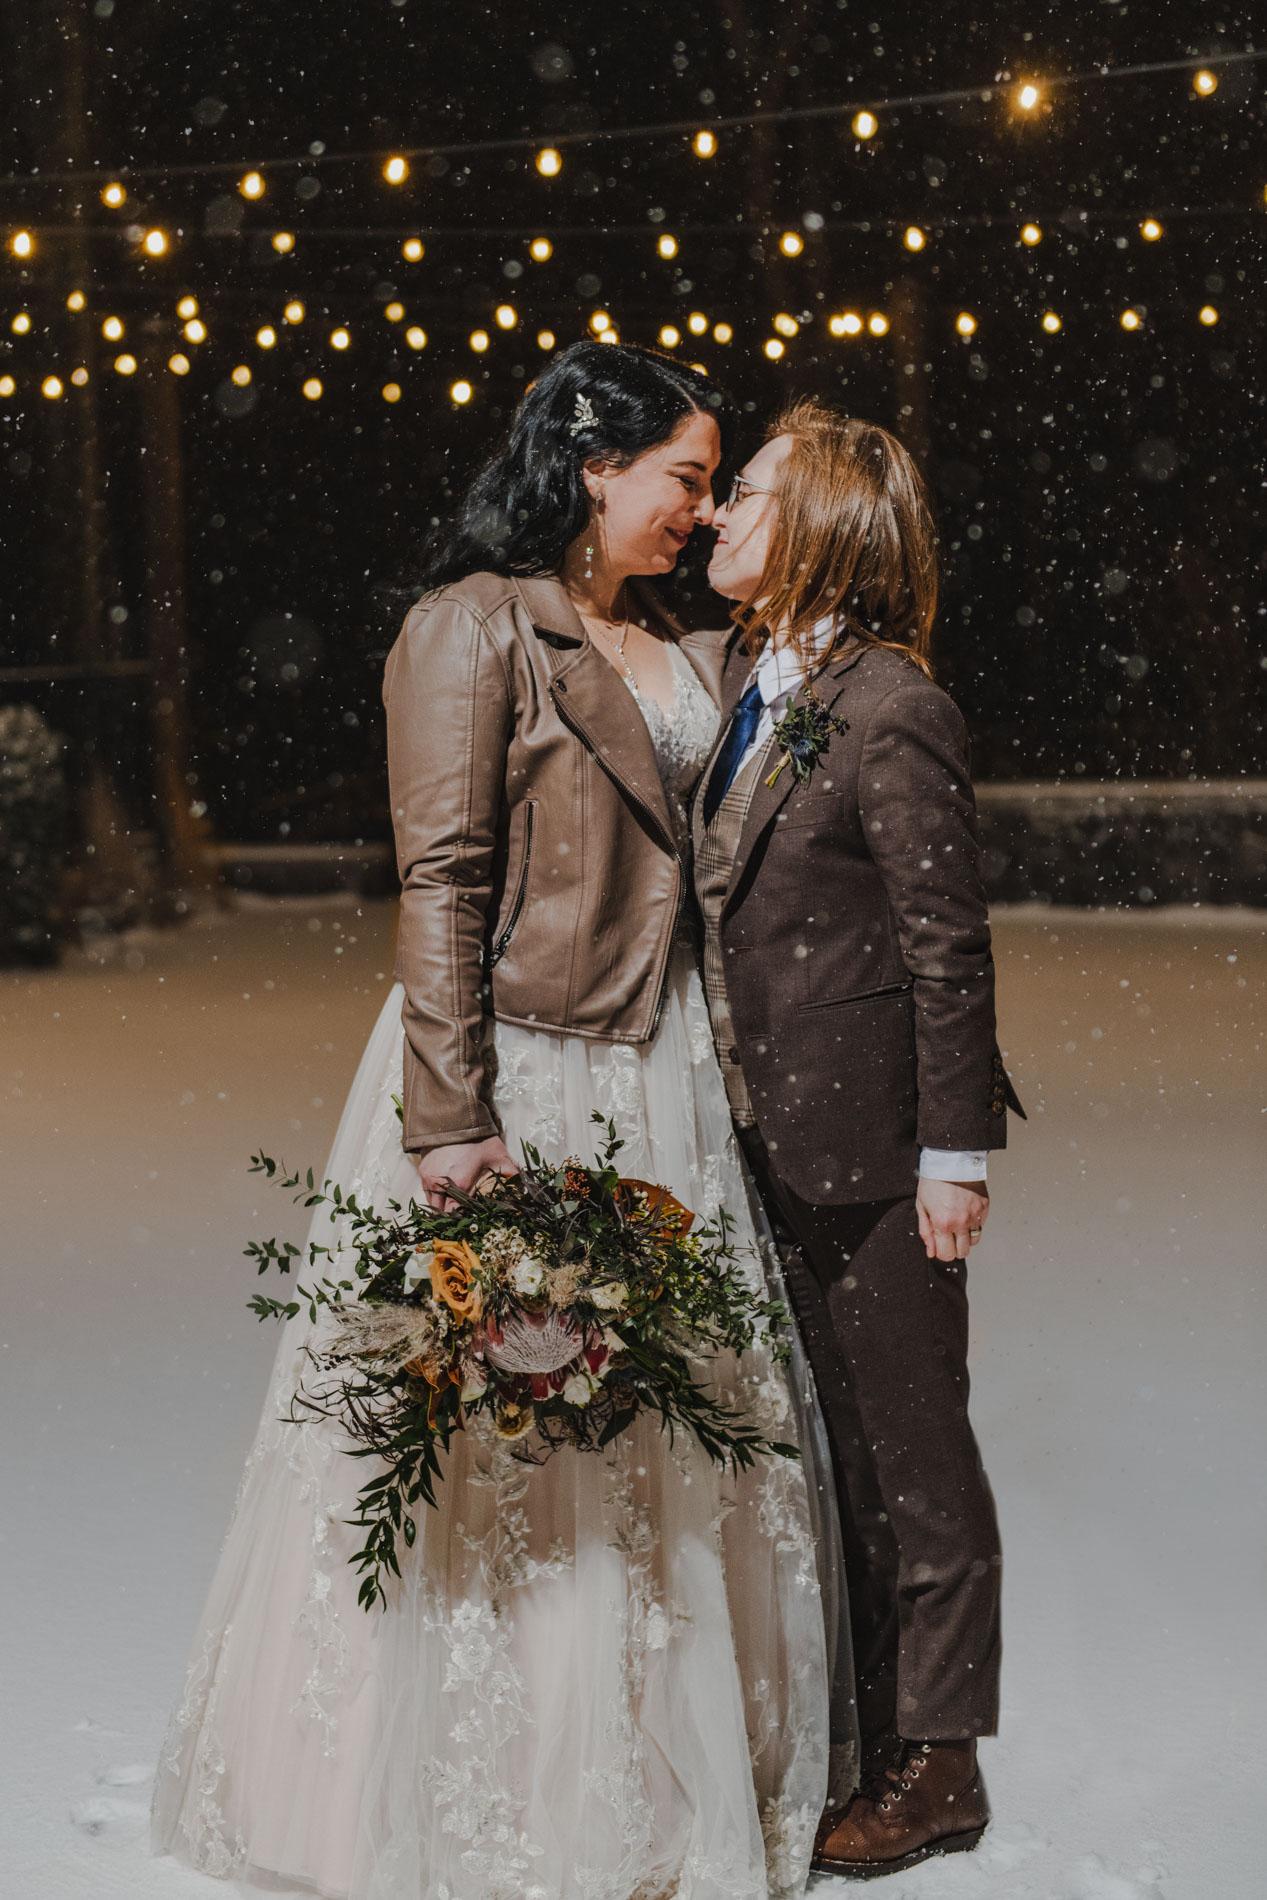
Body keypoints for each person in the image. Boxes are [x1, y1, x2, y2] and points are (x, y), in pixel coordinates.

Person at [149, 343, 854, 1900]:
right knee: (502, 1422)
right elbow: (445, 880)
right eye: (683, 476)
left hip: (657, 1066)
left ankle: (650, 1772)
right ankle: (492, 1794)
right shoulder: (472, 628)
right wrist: (452, 1116)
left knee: (652, 1427)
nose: (698, 508)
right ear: (593, 468)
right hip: (519, 1074)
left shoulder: (672, 629)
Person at [692, 398, 1027, 1880]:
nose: (716, 514)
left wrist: (953, 1156)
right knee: (819, 1453)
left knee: (911, 1456)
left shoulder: (892, 705)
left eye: (747, 492)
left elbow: (949, 947)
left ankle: (939, 1763)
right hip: (753, 1138)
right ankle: (863, 1723)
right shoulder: (739, 678)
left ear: (823, 519)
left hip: (875, 1154)